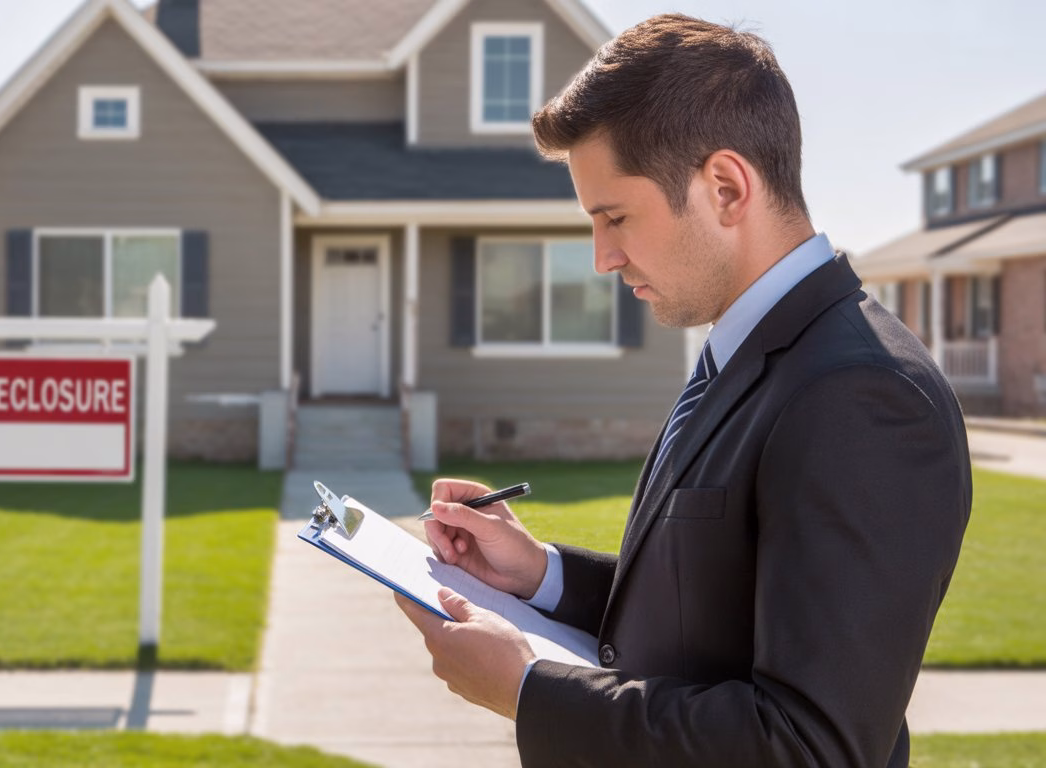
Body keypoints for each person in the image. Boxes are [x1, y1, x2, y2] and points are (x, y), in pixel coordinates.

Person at [395, 13, 972, 768]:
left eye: (616, 217)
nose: (603, 258)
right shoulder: (745, 350)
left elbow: (812, 746)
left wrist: (530, 689)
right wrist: (540, 574)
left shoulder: (862, 395)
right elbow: (704, 621)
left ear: (726, 187)